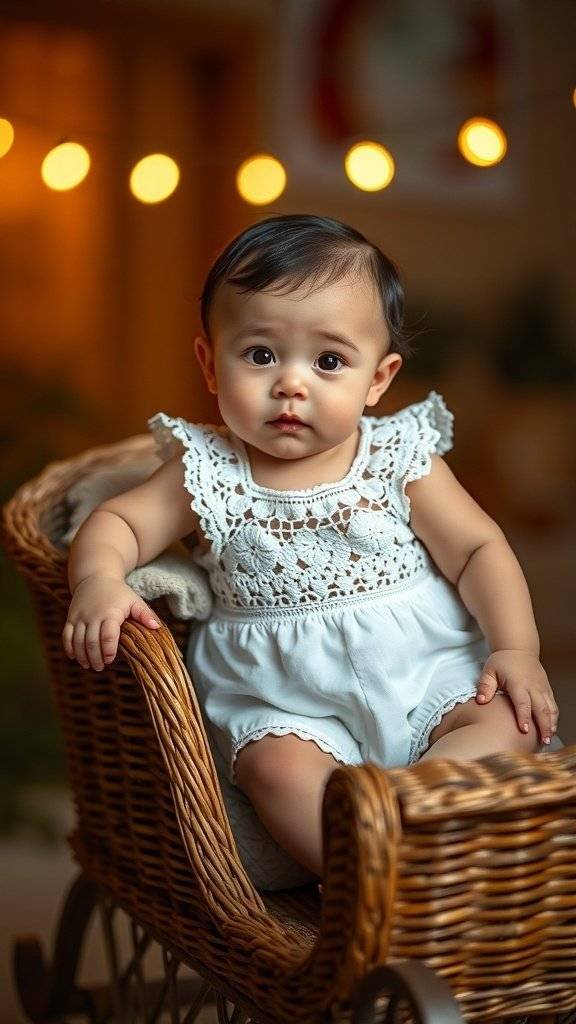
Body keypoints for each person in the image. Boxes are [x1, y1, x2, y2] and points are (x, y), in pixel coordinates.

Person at [62, 214, 558, 879]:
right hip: (288, 703)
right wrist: (99, 578)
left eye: (328, 361)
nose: (292, 383)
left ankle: (413, 823)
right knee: (275, 771)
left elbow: (477, 550)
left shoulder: (399, 456)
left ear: (377, 380)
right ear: (211, 362)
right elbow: (116, 521)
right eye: (261, 354)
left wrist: (514, 649)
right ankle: (360, 879)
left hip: (427, 675)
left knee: (511, 725)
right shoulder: (206, 469)